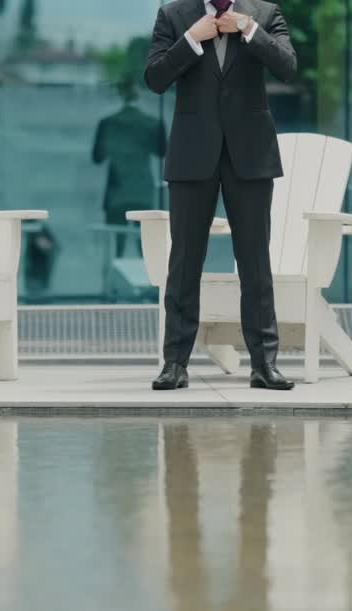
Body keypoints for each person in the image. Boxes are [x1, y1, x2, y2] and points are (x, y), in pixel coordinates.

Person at [142, 0, 298, 391]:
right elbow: (155, 79)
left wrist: (249, 29)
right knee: (184, 261)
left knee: (255, 262)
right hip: (192, 154)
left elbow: (287, 66)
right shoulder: (173, 15)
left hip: (251, 155)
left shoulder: (265, 14)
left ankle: (264, 365)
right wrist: (191, 39)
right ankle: (175, 364)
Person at [92, 78, 166, 257]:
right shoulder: (152, 123)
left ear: (119, 95)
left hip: (117, 193)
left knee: (114, 251)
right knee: (147, 250)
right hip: (142, 192)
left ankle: (114, 277)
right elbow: (162, 152)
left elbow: (98, 157)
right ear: (139, 95)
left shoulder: (108, 123)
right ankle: (149, 275)